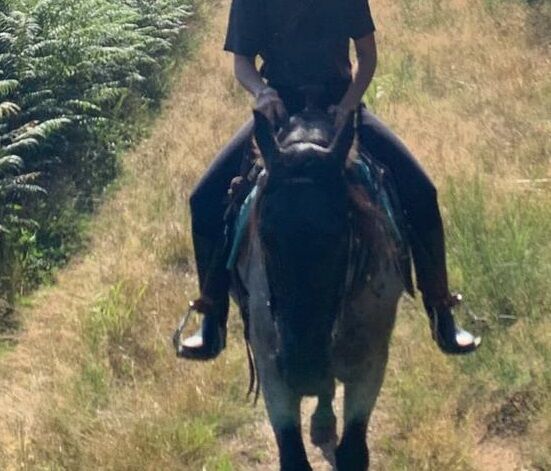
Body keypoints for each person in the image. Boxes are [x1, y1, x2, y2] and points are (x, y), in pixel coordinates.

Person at [178, 0, 481, 360]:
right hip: (279, 110)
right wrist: (262, 92)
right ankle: (211, 319)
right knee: (205, 198)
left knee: (421, 190)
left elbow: (367, 56)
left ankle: (440, 310)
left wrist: (350, 105)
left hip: (342, 106)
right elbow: (242, 62)